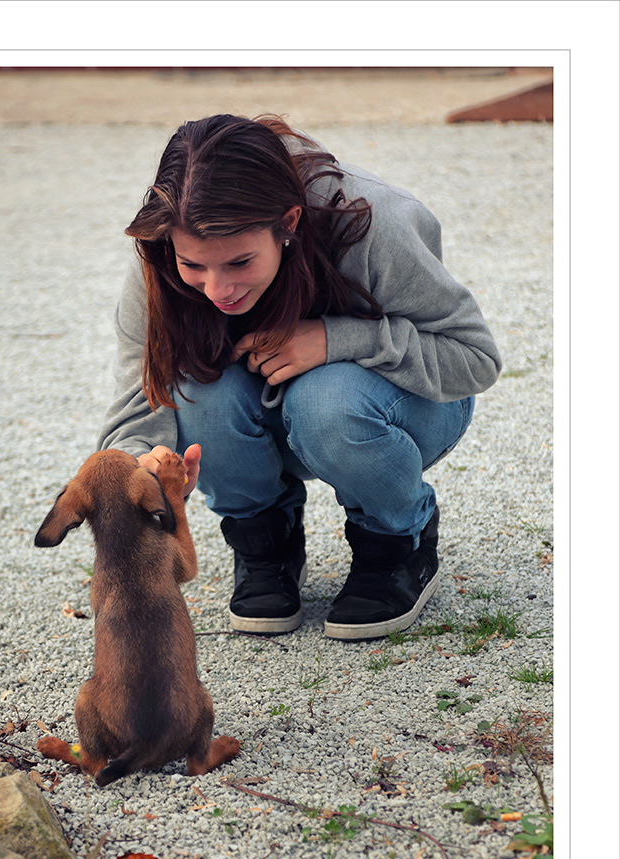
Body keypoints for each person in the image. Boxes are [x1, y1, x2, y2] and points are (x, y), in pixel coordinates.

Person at [97, 113, 501, 641]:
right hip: (274, 413)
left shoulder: (375, 222)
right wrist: (138, 466)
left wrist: (338, 340)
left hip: (406, 405)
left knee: (323, 401)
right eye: (194, 265)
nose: (217, 288)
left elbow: (474, 358)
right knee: (195, 393)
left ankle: (397, 541)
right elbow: (139, 389)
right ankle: (266, 544)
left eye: (240, 262)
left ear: (287, 223)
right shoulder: (161, 248)